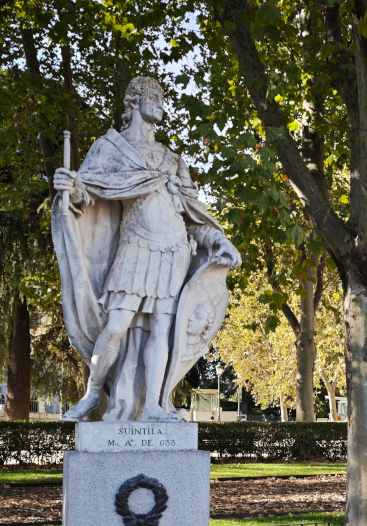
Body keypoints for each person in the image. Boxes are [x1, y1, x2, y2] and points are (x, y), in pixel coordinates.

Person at [53, 76, 241, 421]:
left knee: (161, 329)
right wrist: (72, 188)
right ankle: (93, 394)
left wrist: (218, 240)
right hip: (135, 249)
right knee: (116, 325)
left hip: (173, 253)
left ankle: (153, 405)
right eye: (153, 96)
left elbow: (193, 217)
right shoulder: (111, 148)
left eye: (161, 97)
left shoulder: (172, 160)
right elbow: (88, 194)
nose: (160, 103)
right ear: (134, 101)